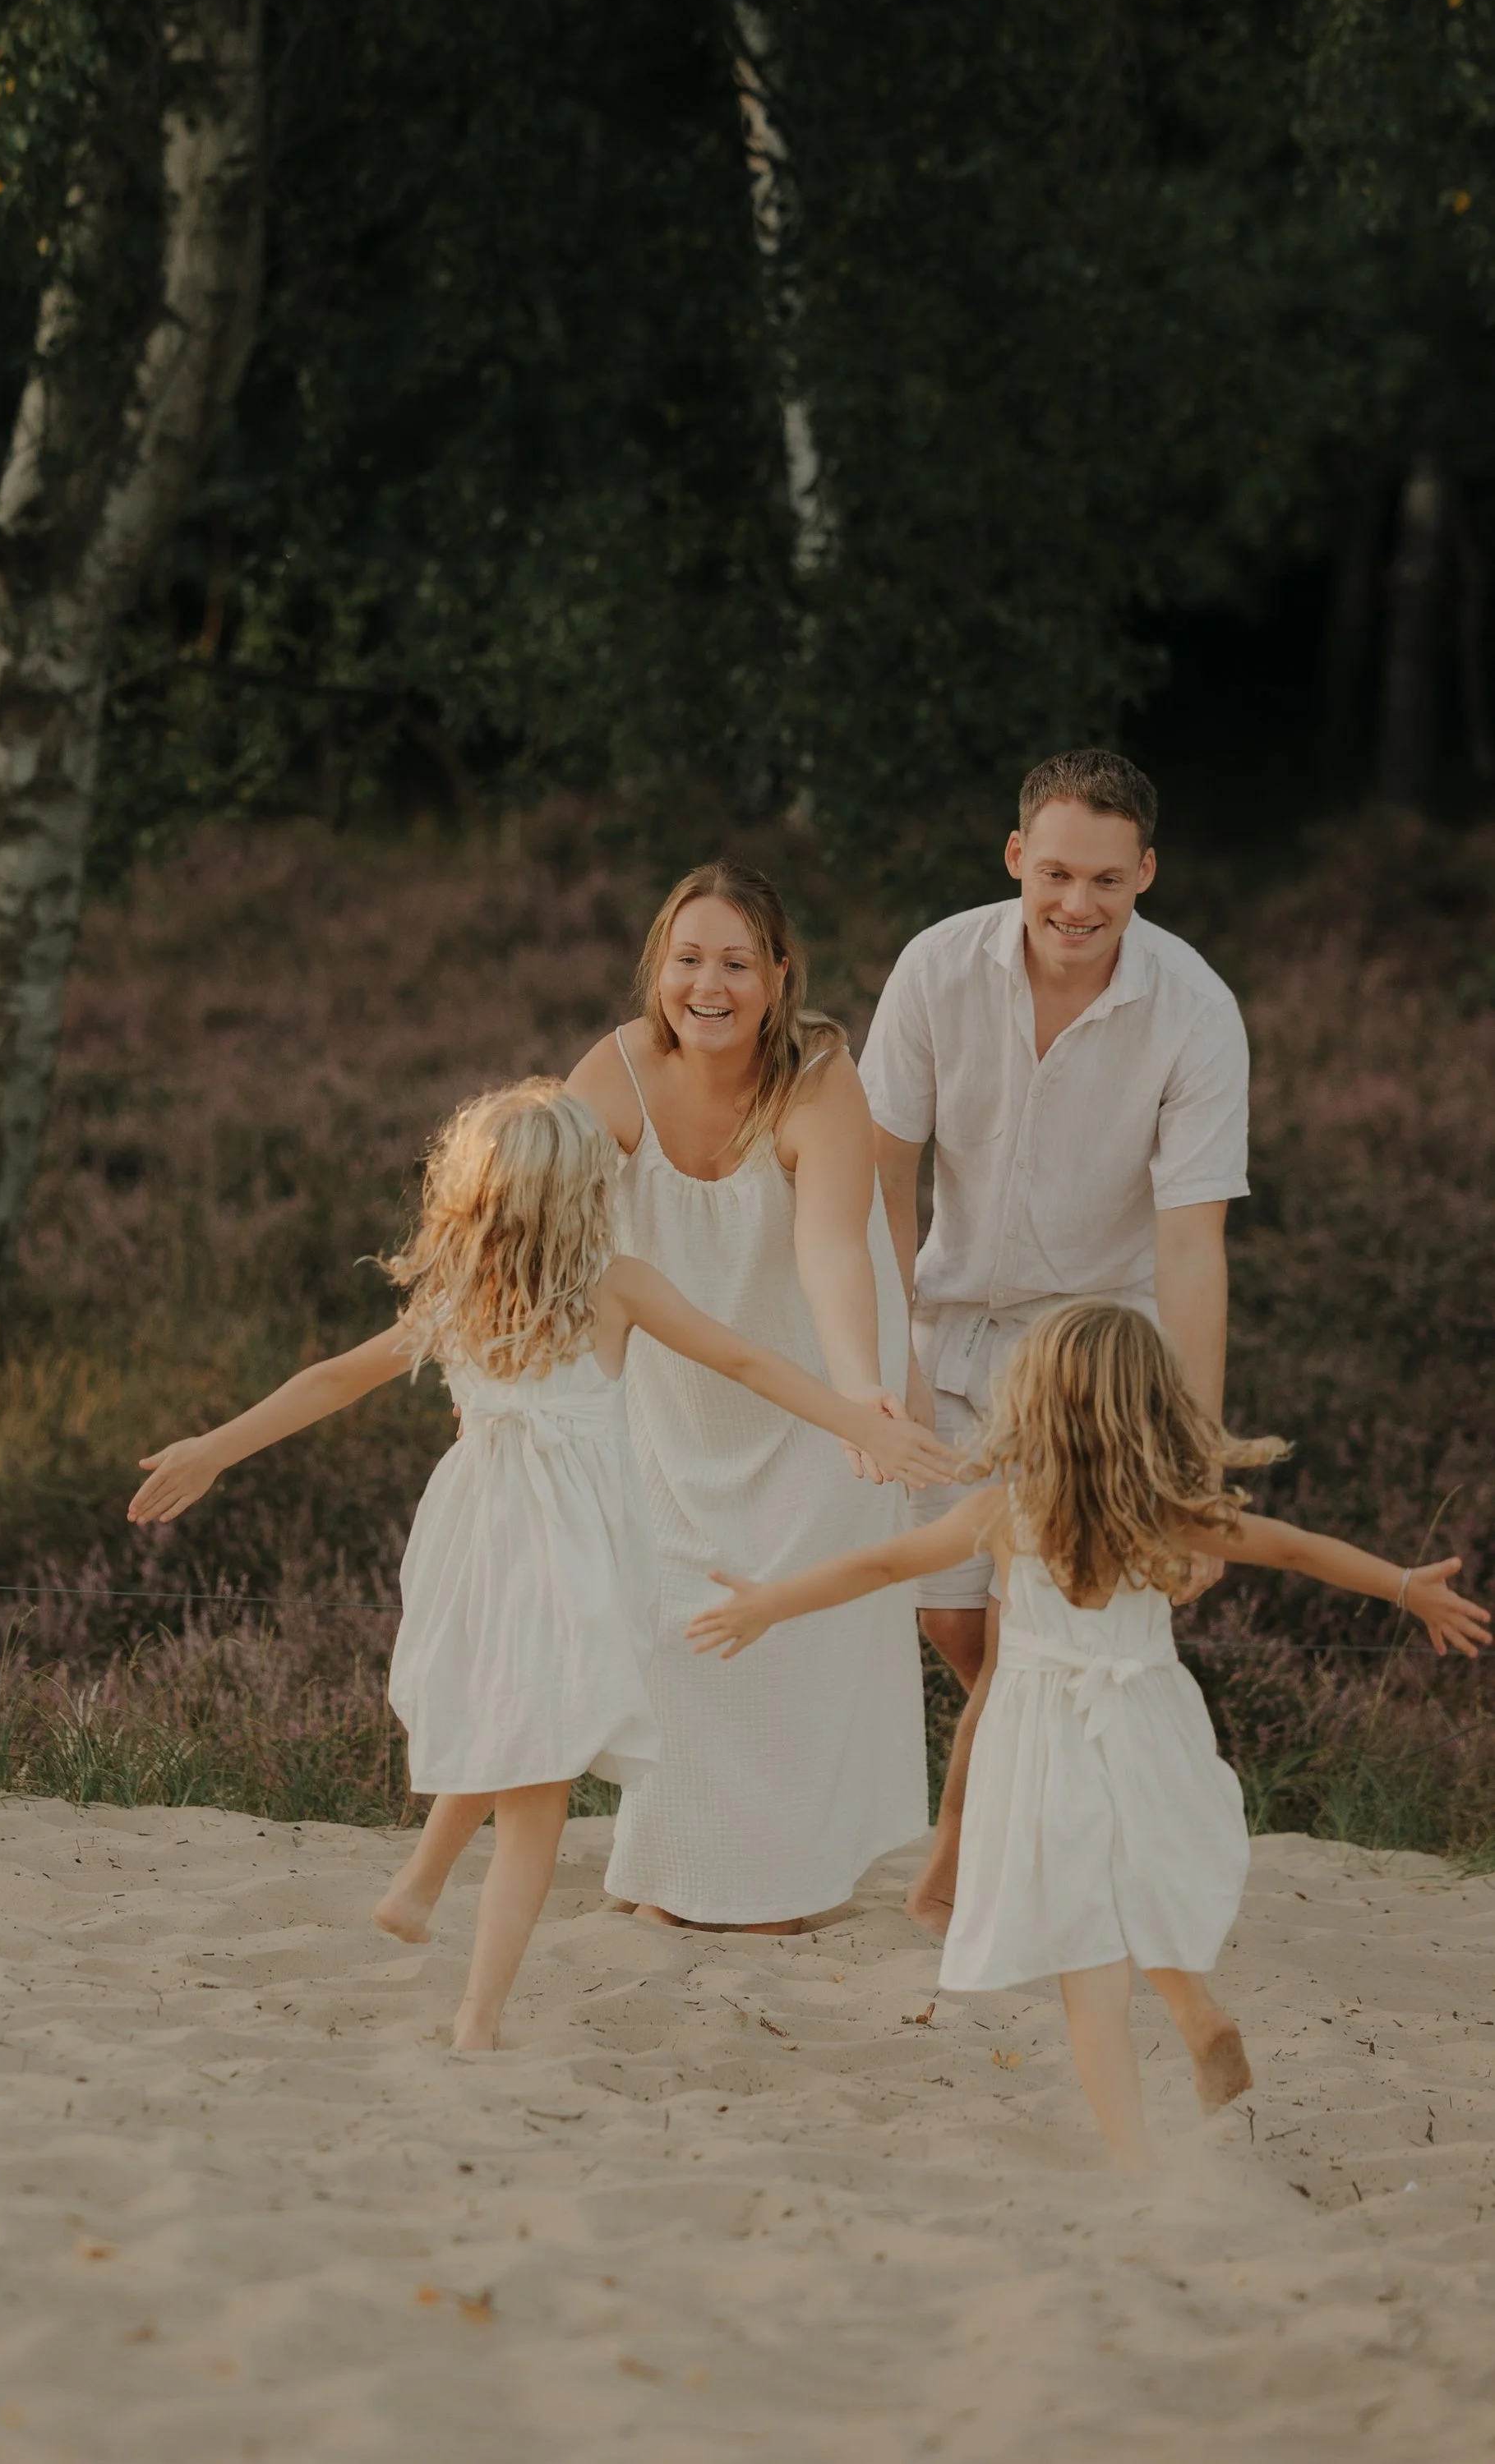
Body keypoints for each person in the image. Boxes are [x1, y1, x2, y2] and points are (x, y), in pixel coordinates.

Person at [128, 1076, 937, 2053]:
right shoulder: (615, 1283)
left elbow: (334, 1379)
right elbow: (745, 1363)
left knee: (519, 1717)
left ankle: (422, 1883)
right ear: (588, 1191)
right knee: (539, 1782)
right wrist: (858, 1417)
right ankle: (477, 2016)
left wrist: (216, 1448)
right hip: (571, 1559)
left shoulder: (458, 1296)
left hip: (476, 1545)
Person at [687, 1297, 1489, 2172]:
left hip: (1041, 1740)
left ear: (1033, 1400)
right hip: (1146, 1721)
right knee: (1139, 1882)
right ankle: (1192, 2013)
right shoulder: (1166, 1512)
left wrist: (769, 1601)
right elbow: (1296, 1549)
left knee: (1084, 1955)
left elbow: (881, 1565)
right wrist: (1405, 1586)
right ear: (1152, 1407)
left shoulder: (1003, 1512)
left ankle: (1134, 2160)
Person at [858, 747, 1249, 1932]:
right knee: (952, 1615)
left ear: (1147, 873)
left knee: (1047, 1608)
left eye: (1109, 880)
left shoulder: (1196, 1011)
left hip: (1097, 1353)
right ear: (1019, 855)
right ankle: (1092, 1772)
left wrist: (1194, 1459)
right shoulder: (936, 967)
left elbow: (1192, 1248)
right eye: (1059, 872)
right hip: (947, 1323)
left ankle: (958, 1861)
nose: (1080, 904)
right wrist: (895, 1363)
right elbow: (881, 1182)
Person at [570, 864, 955, 1932]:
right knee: (676, 1616)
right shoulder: (616, 1068)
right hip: (679, 1384)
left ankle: (781, 1888)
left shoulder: (820, 1078)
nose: (710, 983)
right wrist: (515, 1372)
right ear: (659, 967)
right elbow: (544, 1219)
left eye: (737, 962)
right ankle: (673, 1870)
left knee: (785, 1628)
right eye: (689, 958)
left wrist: (862, 1394)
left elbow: (836, 1247)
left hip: (816, 1377)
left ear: (779, 977)